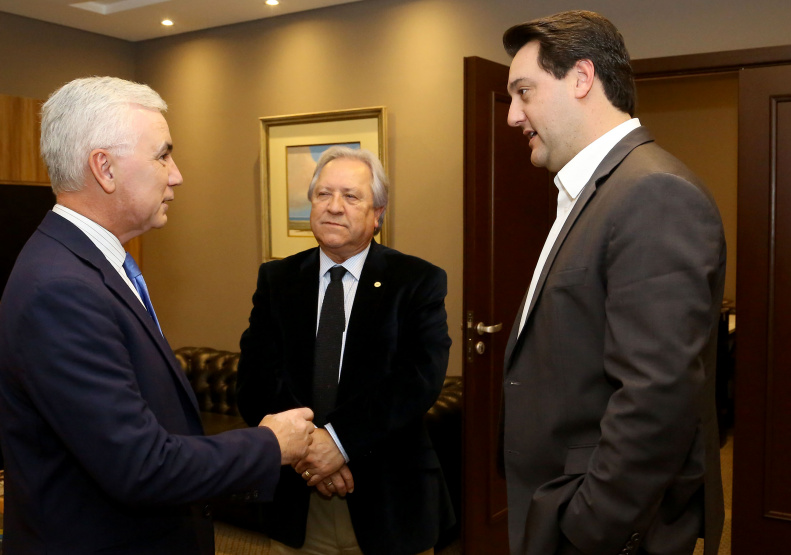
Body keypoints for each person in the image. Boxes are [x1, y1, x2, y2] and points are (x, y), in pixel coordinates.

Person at [0, 76, 314, 554]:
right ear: (105, 168)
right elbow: (140, 465)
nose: (176, 174)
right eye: (162, 155)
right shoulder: (62, 289)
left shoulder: (89, 265)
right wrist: (271, 444)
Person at [499, 11, 726, 555]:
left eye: (524, 92)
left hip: (600, 529)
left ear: (582, 78)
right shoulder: (593, 191)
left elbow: (656, 398)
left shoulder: (653, 193)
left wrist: (589, 528)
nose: (512, 116)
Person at [236, 146, 454, 555]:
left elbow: (416, 381)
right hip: (298, 498)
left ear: (378, 214)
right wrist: (310, 453)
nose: (334, 207)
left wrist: (338, 443)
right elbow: (255, 382)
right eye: (324, 194)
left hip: (389, 502)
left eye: (351, 196)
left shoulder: (417, 281)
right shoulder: (277, 279)